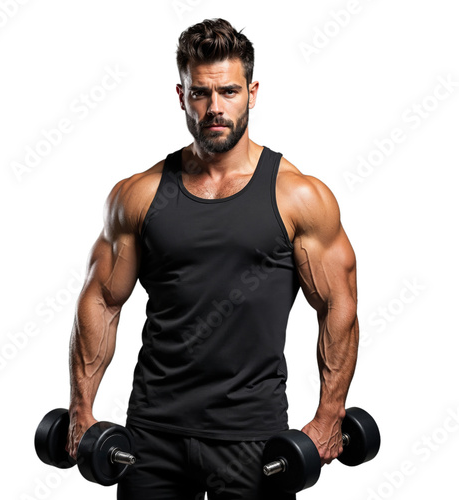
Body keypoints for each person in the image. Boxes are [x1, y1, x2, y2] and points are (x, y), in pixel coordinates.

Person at [66, 18, 359, 500]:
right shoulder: (138, 194)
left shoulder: (298, 196)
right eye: (200, 93)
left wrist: (330, 414)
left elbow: (338, 305)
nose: (215, 108)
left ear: (253, 92)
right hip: (152, 434)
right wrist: (81, 408)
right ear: (181, 95)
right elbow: (101, 300)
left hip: (251, 436)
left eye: (228, 91)